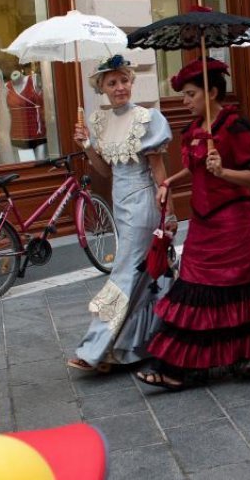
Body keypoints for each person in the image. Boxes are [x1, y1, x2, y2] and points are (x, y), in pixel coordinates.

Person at [138, 58, 250, 390]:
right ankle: (189, 365)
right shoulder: (195, 130)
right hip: (203, 222)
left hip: (234, 223)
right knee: (194, 288)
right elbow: (196, 169)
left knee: (241, 288)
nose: (185, 101)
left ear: (211, 92)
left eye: (191, 94)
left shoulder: (237, 128)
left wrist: (223, 172)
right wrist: (170, 182)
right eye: (184, 95)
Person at [68, 55, 173, 373]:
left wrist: (169, 213)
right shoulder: (99, 122)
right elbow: (104, 171)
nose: (120, 87)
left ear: (131, 81)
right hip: (121, 203)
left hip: (143, 205)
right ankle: (138, 345)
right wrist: (87, 146)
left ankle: (95, 348)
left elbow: (158, 168)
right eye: (112, 83)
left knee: (124, 273)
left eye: (124, 80)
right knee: (147, 274)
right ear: (102, 88)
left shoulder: (147, 119)